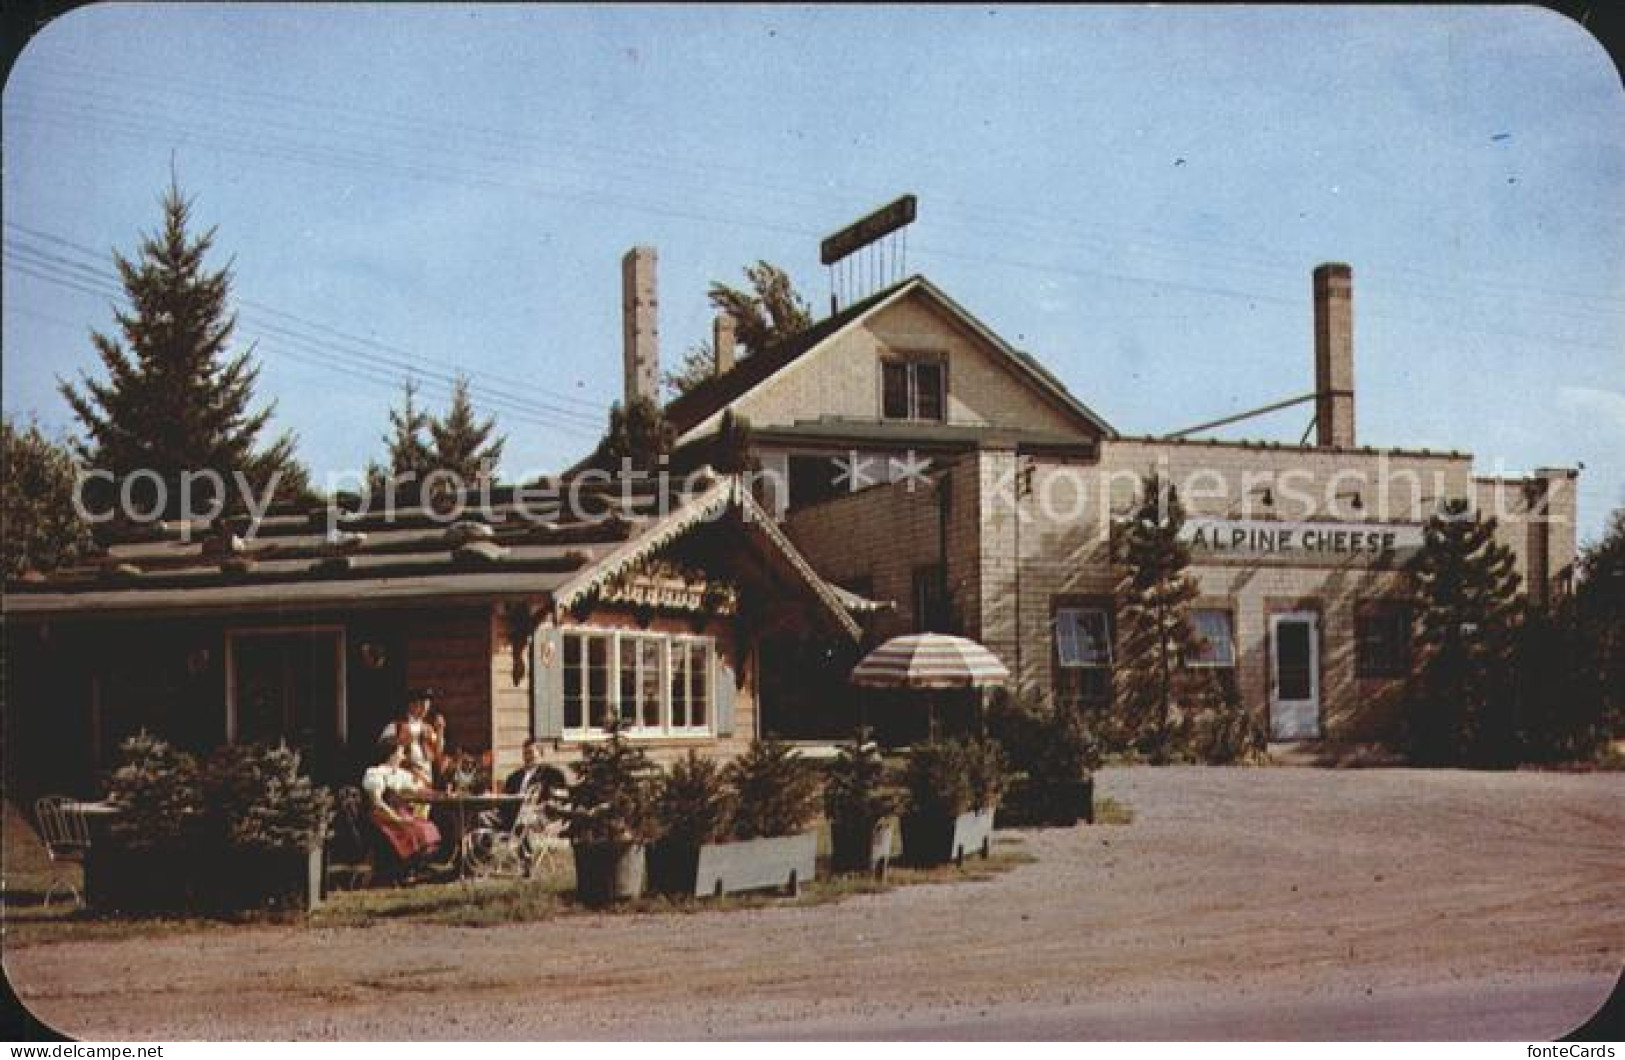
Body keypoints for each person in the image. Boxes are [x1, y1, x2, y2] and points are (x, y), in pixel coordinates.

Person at [361, 743, 442, 868]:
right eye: (400, 753)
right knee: (414, 830)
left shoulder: (399, 774)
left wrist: (439, 794)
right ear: (391, 755)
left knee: (427, 826)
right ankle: (404, 866)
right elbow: (377, 802)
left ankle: (416, 865)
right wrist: (397, 819)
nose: (403, 757)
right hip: (382, 816)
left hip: (400, 813)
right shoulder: (375, 773)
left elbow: (417, 790)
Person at [377, 687, 443, 781]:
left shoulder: (428, 728)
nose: (425, 707)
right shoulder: (396, 726)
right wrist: (399, 741)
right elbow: (381, 747)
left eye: (427, 704)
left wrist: (440, 731)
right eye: (421, 703)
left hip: (424, 775)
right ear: (411, 705)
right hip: (403, 772)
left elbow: (438, 752)